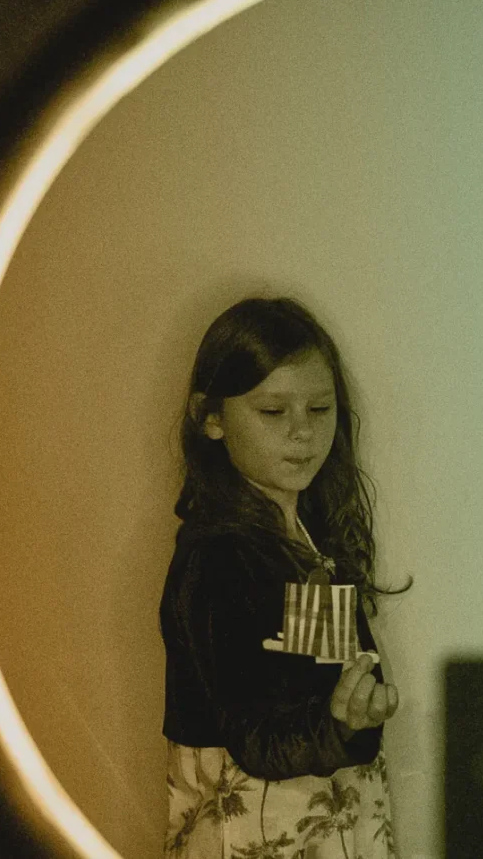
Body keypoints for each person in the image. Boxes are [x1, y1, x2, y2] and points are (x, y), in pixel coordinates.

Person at [160, 297, 408, 859]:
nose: (302, 432)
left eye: (319, 409)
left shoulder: (306, 540)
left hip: (325, 820)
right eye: (273, 412)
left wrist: (353, 714)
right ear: (212, 418)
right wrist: (340, 724)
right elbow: (255, 735)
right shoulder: (220, 555)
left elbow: (308, 679)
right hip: (257, 834)